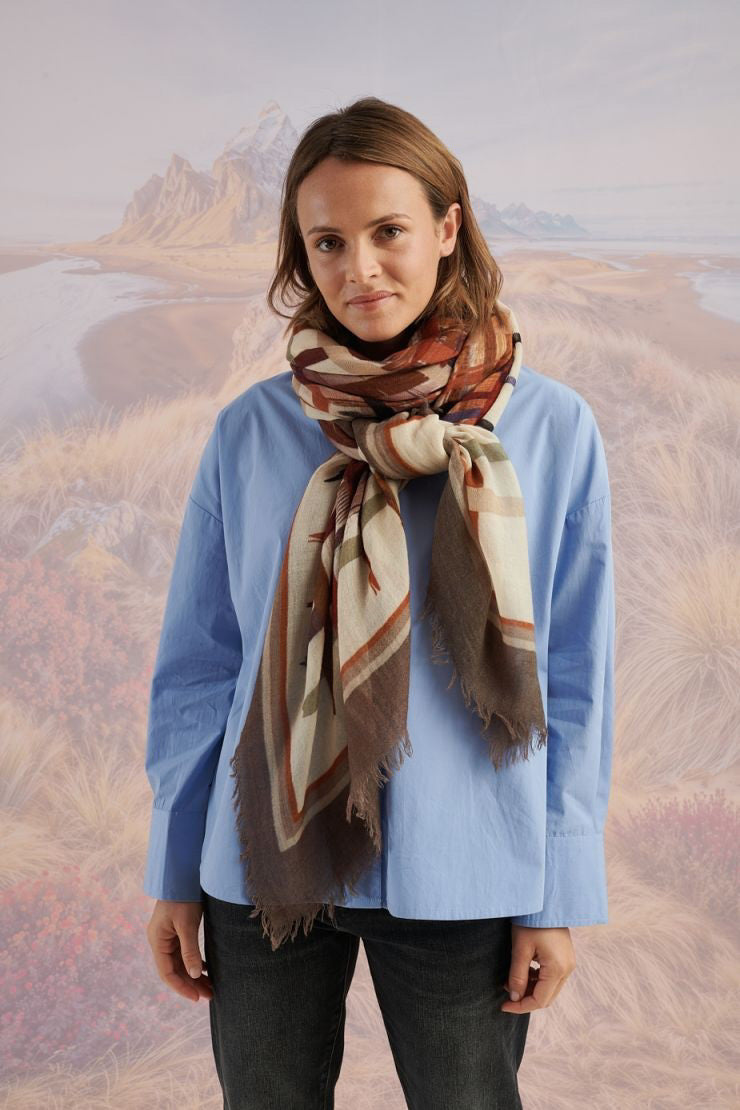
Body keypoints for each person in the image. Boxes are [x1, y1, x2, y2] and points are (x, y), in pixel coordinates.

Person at [144, 96, 615, 1109]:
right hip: (266, 862)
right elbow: (200, 666)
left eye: (387, 231)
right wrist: (174, 866)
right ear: (299, 258)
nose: (358, 267)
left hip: (471, 867)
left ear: (447, 229)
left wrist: (558, 891)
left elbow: (573, 673)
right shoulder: (251, 432)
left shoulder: (554, 431)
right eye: (326, 242)